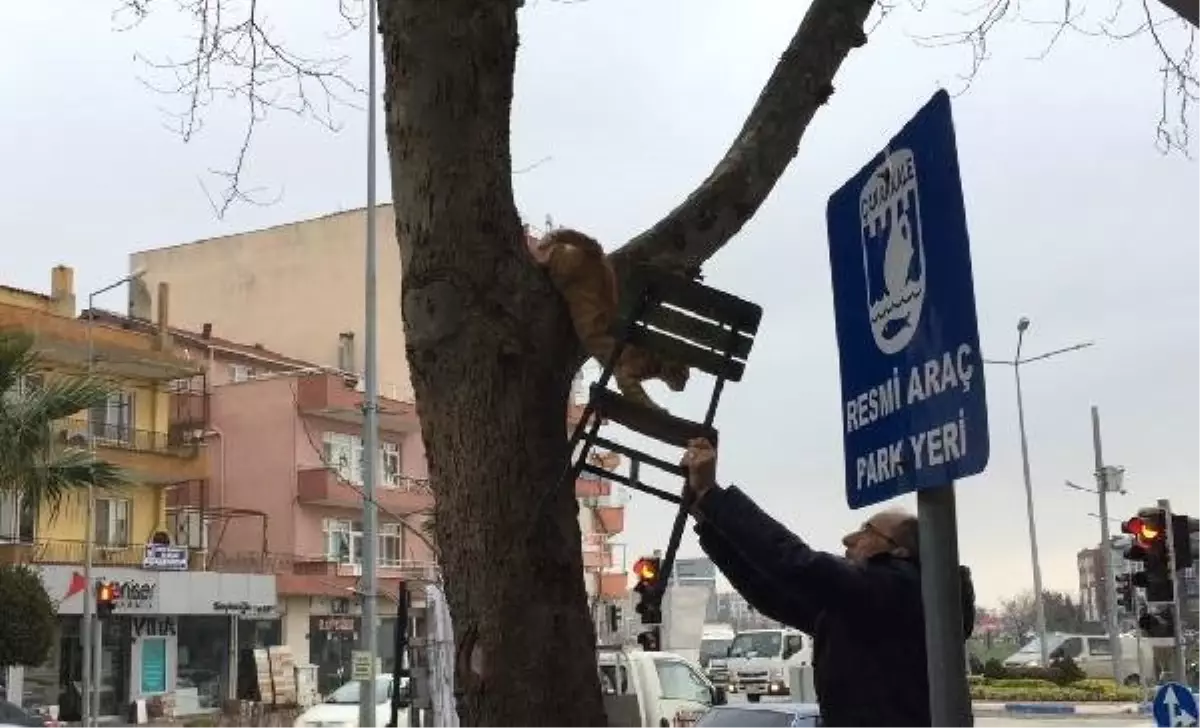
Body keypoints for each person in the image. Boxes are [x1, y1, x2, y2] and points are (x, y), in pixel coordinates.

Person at [680, 438, 976, 727]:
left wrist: (712, 495)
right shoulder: (864, 609)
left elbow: (797, 563)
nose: (848, 539)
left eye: (866, 530)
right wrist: (711, 525)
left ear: (900, 551)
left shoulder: (900, 590)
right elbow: (772, 590)